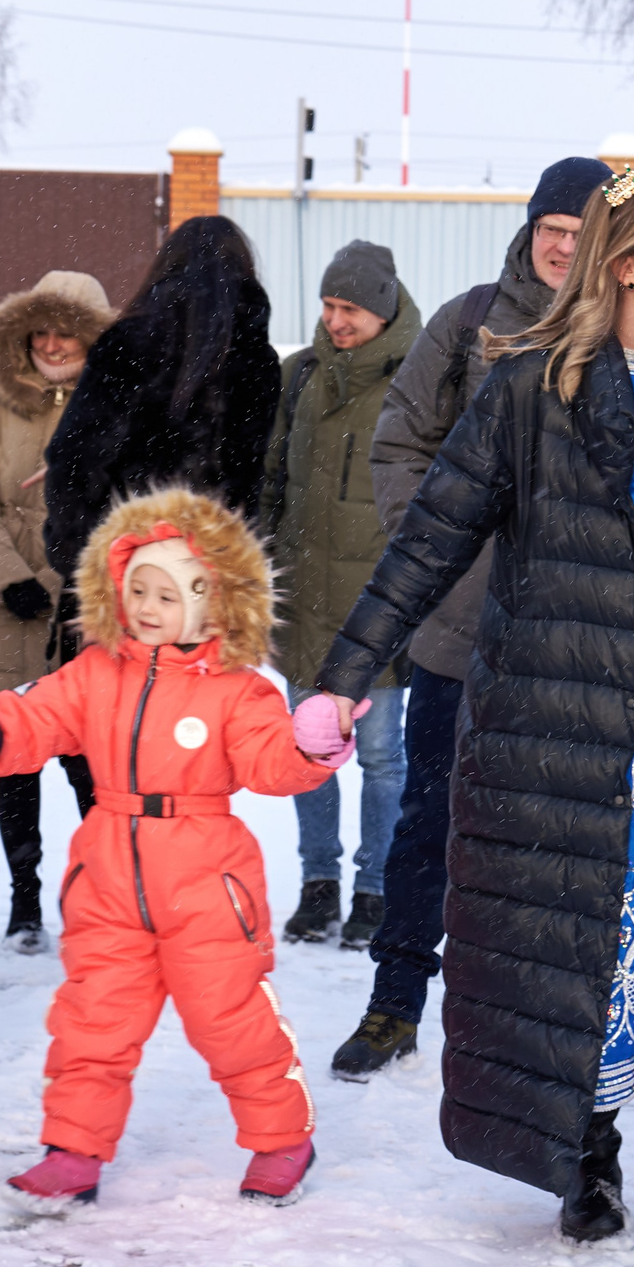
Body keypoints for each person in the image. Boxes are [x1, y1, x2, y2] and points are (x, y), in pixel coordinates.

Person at [304, 150, 634, 1257]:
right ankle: (584, 1161)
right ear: (628, 261)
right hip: (572, 727)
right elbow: (429, 538)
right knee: (574, 935)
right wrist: (345, 674)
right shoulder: (527, 385)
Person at [0, 487, 338, 1213]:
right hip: (108, 877)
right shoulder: (95, 673)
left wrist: (312, 744)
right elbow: (37, 716)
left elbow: (271, 762)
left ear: (216, 603)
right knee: (93, 1018)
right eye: (139, 589)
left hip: (209, 883)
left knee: (231, 1019)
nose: (149, 606)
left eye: (171, 592)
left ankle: (282, 1137)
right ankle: (73, 1151)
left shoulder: (239, 692)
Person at [329, 153, 613, 1079]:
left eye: (581, 235)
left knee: (562, 834)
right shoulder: (467, 321)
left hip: (578, 636)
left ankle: (546, 1020)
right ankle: (395, 999)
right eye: (552, 232)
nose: (564, 250)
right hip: (463, 626)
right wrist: (438, 541)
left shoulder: (630, 332)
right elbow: (400, 436)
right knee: (431, 816)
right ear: (532, 231)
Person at [261, 241, 418, 948]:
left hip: (378, 608)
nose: (335, 320)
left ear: (382, 309)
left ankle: (377, 888)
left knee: (383, 756)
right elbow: (270, 485)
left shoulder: (420, 381)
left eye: (349, 307)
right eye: (328, 306)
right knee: (306, 752)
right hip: (304, 604)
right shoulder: (299, 377)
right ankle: (318, 884)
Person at [0, 271, 113, 954]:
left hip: (85, 614)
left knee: (90, 766)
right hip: (3, 610)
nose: (52, 342)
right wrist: (11, 577)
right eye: (41, 328)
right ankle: (24, 899)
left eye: (66, 328)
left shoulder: (117, 406)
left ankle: (94, 897)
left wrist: (96, 589)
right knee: (13, 762)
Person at [42, 215, 281, 589]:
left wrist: (74, 556)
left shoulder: (126, 342)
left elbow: (75, 458)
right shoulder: (257, 361)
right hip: (207, 576)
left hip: (122, 565)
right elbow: (247, 480)